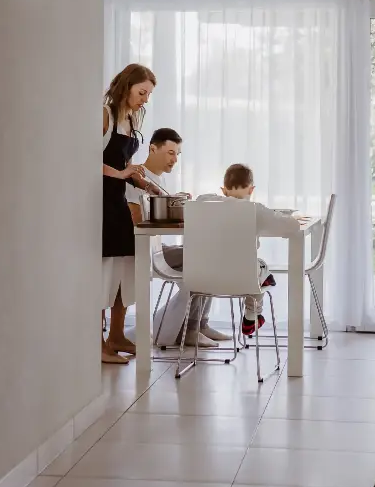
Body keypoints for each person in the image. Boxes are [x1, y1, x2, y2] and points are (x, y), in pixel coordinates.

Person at [126, 128, 230, 348]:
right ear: (153, 148)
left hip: (157, 246)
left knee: (209, 256)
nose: (174, 160)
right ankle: (191, 329)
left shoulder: (160, 179)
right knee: (206, 257)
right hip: (144, 250)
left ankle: (199, 325)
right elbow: (136, 222)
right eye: (170, 153)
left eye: (178, 155)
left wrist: (177, 202)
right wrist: (172, 208)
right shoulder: (137, 178)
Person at [198, 163, 301, 336]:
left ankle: (262, 286)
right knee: (260, 267)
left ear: (223, 190)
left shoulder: (204, 203)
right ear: (251, 190)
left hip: (204, 276)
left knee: (256, 270)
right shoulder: (256, 210)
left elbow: (202, 197)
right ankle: (252, 314)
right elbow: (292, 226)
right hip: (243, 277)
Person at [102, 63, 155, 364]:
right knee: (103, 270)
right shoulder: (105, 114)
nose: (145, 99)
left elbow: (124, 164)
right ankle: (97, 344)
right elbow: (84, 160)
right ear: (126, 87)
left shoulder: (133, 118)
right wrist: (122, 173)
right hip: (99, 201)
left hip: (118, 198)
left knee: (124, 267)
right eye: (141, 92)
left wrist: (139, 178)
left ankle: (118, 335)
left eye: (148, 94)